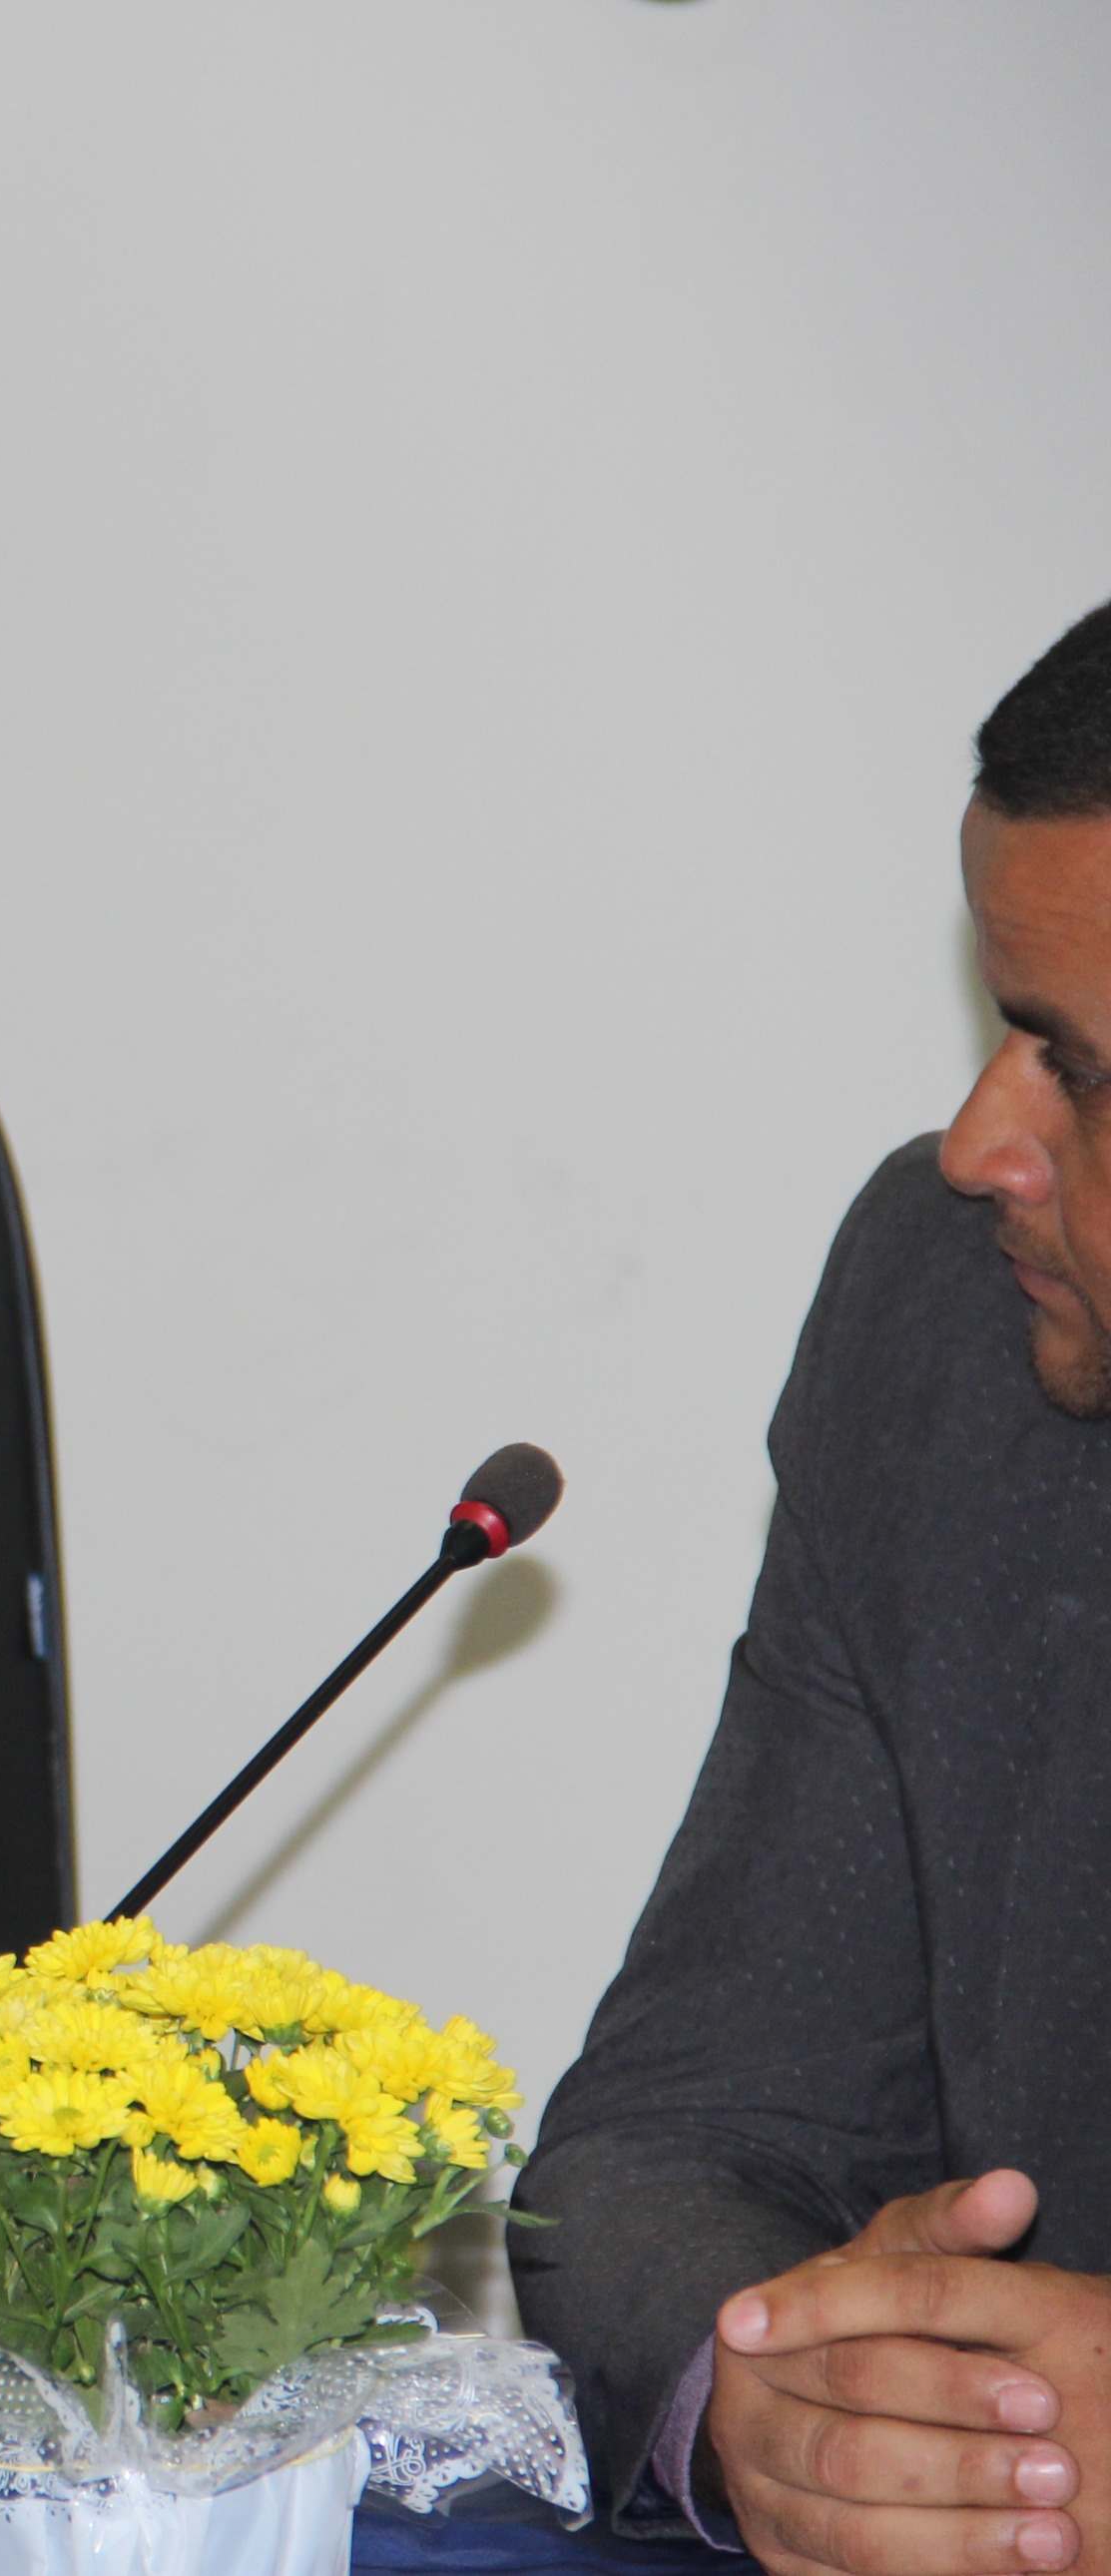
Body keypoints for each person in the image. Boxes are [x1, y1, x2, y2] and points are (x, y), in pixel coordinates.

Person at [513, 598, 1111, 2573]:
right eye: (1002, 1028)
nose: (980, 1141)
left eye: (1077, 1068)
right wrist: (783, 2397)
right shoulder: (949, 1339)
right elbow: (678, 2137)